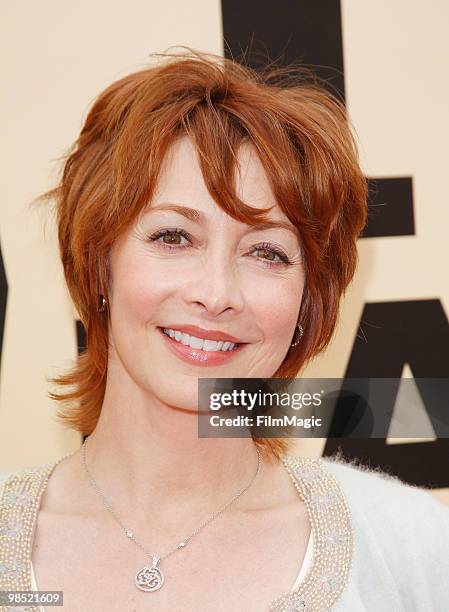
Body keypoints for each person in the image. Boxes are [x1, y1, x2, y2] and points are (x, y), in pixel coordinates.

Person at [0, 48, 448, 612]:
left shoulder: (411, 550)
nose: (215, 293)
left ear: (308, 301)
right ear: (99, 264)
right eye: (173, 238)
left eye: (266, 252)